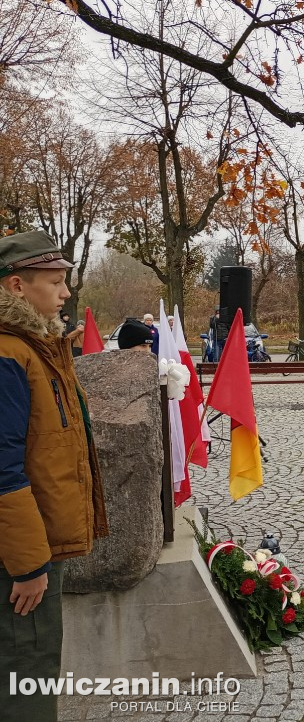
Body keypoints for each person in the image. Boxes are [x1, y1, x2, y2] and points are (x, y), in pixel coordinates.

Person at [0, 230, 109, 721]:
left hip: (33, 545)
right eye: (56, 281)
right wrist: (27, 566)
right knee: (27, 674)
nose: (66, 293)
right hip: (20, 556)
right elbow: (2, 469)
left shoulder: (33, 347)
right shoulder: (9, 356)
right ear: (17, 286)